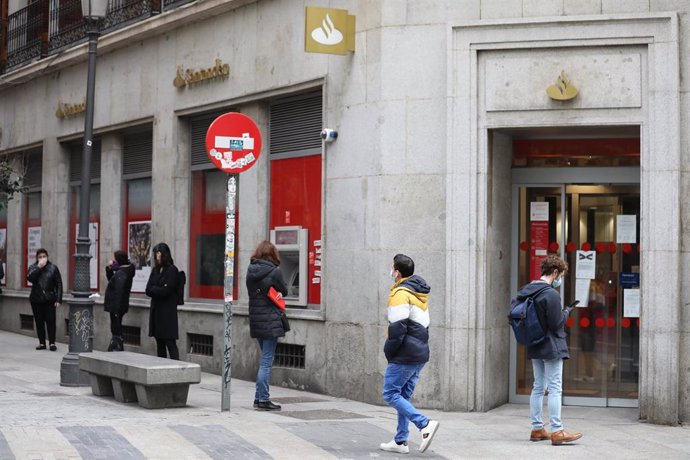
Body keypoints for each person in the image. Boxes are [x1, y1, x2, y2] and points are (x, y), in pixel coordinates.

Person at [518, 254, 583, 445]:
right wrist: (567, 311)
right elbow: (557, 325)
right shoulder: (550, 294)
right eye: (560, 275)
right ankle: (557, 430)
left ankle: (537, 428)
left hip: (534, 344)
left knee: (538, 387)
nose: (560, 280)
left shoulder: (527, 290)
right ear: (555, 272)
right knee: (555, 388)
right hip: (550, 346)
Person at [380, 254, 439, 454]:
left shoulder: (400, 293)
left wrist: (389, 351)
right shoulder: (417, 292)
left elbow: (397, 329)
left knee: (390, 393)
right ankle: (400, 441)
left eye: (392, 267)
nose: (391, 271)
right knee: (403, 395)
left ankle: (424, 424)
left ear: (397, 271)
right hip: (419, 352)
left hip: (405, 353)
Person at [246, 241, 288, 411]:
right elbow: (284, 291)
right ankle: (263, 399)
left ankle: (258, 398)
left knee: (264, 359)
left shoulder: (250, 271)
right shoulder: (274, 271)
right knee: (266, 362)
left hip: (256, 320)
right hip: (270, 320)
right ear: (272, 255)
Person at [145, 243, 180, 360]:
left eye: (159, 254)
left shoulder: (172, 270)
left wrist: (155, 289)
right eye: (155, 254)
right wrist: (158, 288)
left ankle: (176, 367)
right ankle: (161, 367)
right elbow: (148, 289)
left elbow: (167, 290)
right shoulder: (156, 270)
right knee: (159, 342)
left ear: (164, 254)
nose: (157, 257)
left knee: (170, 342)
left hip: (167, 312)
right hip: (156, 311)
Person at [26, 248, 63, 351]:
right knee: (39, 322)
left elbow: (59, 284)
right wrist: (38, 267)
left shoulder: (53, 268)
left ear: (47, 257)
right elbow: (30, 278)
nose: (42, 259)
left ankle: (52, 343)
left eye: (44, 256)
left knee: (51, 321)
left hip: (49, 299)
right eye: (40, 257)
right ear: (37, 258)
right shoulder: (33, 267)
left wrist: (58, 299)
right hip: (36, 299)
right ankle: (42, 343)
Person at [104, 250, 135, 352]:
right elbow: (112, 280)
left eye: (115, 259)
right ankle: (116, 344)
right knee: (116, 325)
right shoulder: (122, 271)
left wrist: (116, 308)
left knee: (116, 326)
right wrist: (109, 269)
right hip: (119, 304)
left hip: (117, 305)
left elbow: (118, 291)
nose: (113, 261)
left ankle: (117, 346)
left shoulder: (122, 273)